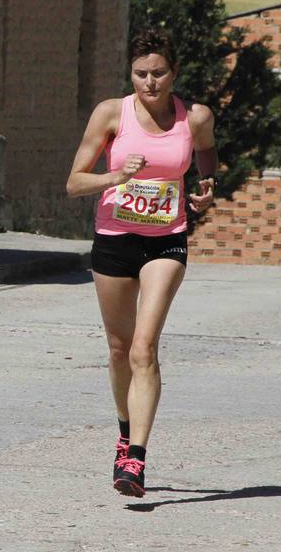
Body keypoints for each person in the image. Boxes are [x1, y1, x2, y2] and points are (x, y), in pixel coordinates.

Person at [66, 29, 216, 498]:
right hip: (114, 239)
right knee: (118, 348)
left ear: (174, 73)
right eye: (140, 74)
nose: (150, 82)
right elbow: (74, 182)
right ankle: (124, 428)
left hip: (166, 241)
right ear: (130, 74)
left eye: (159, 73)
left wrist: (207, 185)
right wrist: (115, 176)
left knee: (143, 348)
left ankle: (136, 458)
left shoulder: (195, 117)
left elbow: (207, 155)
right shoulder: (112, 114)